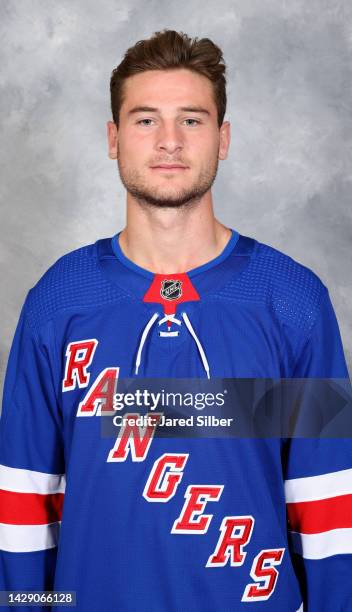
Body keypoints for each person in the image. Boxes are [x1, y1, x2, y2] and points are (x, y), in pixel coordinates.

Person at [0, 29, 351, 612]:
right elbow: (23, 501)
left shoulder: (293, 301)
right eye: (144, 120)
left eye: (191, 120)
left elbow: (327, 503)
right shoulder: (58, 302)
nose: (168, 141)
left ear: (223, 137)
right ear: (113, 139)